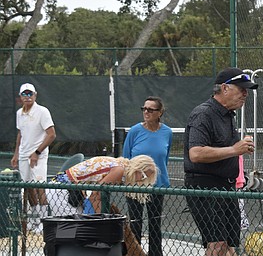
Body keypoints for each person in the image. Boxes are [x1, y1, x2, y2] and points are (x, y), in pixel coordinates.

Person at [183, 67, 256, 256]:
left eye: (246, 91)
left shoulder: (228, 116)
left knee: (225, 243)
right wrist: (233, 149)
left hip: (224, 186)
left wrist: (239, 163)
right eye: (240, 90)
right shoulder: (203, 113)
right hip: (204, 186)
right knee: (215, 243)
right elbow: (196, 154)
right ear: (224, 88)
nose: (244, 95)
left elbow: (226, 153)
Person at [122, 96, 173, 256]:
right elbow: (126, 158)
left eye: (151, 110)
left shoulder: (167, 133)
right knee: (135, 225)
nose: (146, 112)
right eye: (144, 108)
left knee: (155, 226)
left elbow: (163, 159)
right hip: (135, 187)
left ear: (159, 113)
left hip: (156, 187)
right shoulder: (135, 131)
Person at [12, 83, 56, 234]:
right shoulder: (19, 114)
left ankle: (44, 223)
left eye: (30, 94)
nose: (27, 97)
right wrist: (16, 154)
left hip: (39, 156)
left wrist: (37, 153)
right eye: (24, 94)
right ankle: (34, 220)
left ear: (35, 95)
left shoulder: (43, 112)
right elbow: (20, 134)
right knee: (28, 188)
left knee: (39, 187)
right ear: (20, 97)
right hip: (24, 156)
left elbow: (51, 134)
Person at [55, 155, 158, 213]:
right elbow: (96, 194)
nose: (141, 180)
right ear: (138, 168)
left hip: (70, 190)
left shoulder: (120, 166)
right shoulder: (119, 170)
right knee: (71, 229)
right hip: (63, 189)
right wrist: (102, 219)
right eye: (143, 176)